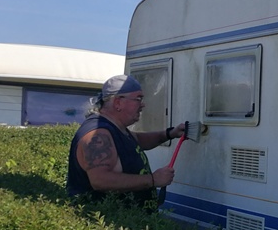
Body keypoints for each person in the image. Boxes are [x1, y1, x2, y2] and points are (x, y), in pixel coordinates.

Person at [66, 74, 187, 205]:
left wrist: (170, 134)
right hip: (108, 217)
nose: (143, 104)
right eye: (138, 99)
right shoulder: (98, 134)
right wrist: (153, 180)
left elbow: (137, 140)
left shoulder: (116, 128)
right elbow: (100, 180)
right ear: (118, 102)